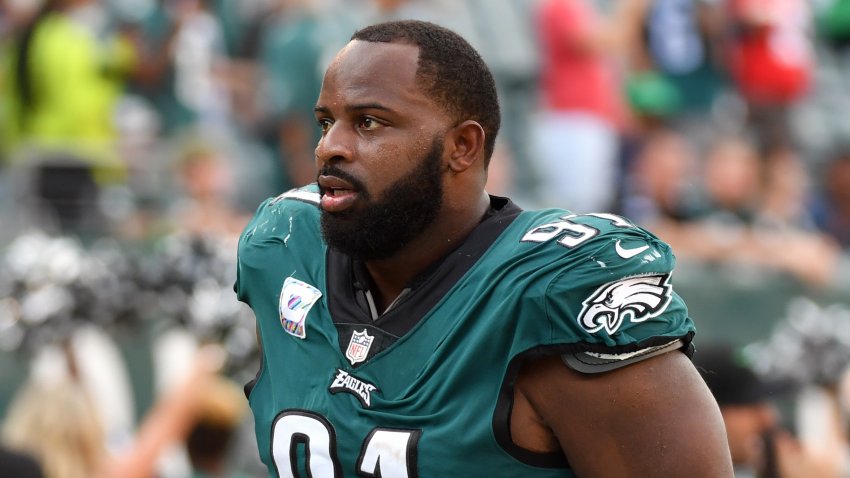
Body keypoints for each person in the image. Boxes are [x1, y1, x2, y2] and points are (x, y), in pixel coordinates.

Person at [235, 20, 732, 476]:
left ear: (463, 147)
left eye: (369, 122)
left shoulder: (555, 292)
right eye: (326, 122)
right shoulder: (283, 247)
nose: (329, 147)